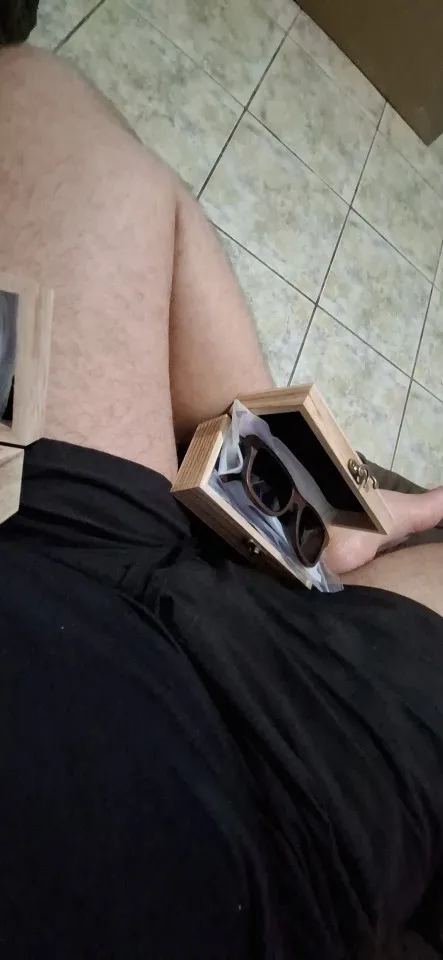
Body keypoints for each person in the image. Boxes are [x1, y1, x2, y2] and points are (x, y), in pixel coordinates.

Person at [0, 13, 442, 957]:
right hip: (273, 806)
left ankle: (322, 507)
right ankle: (324, 516)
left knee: (31, 94)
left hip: (36, 555)